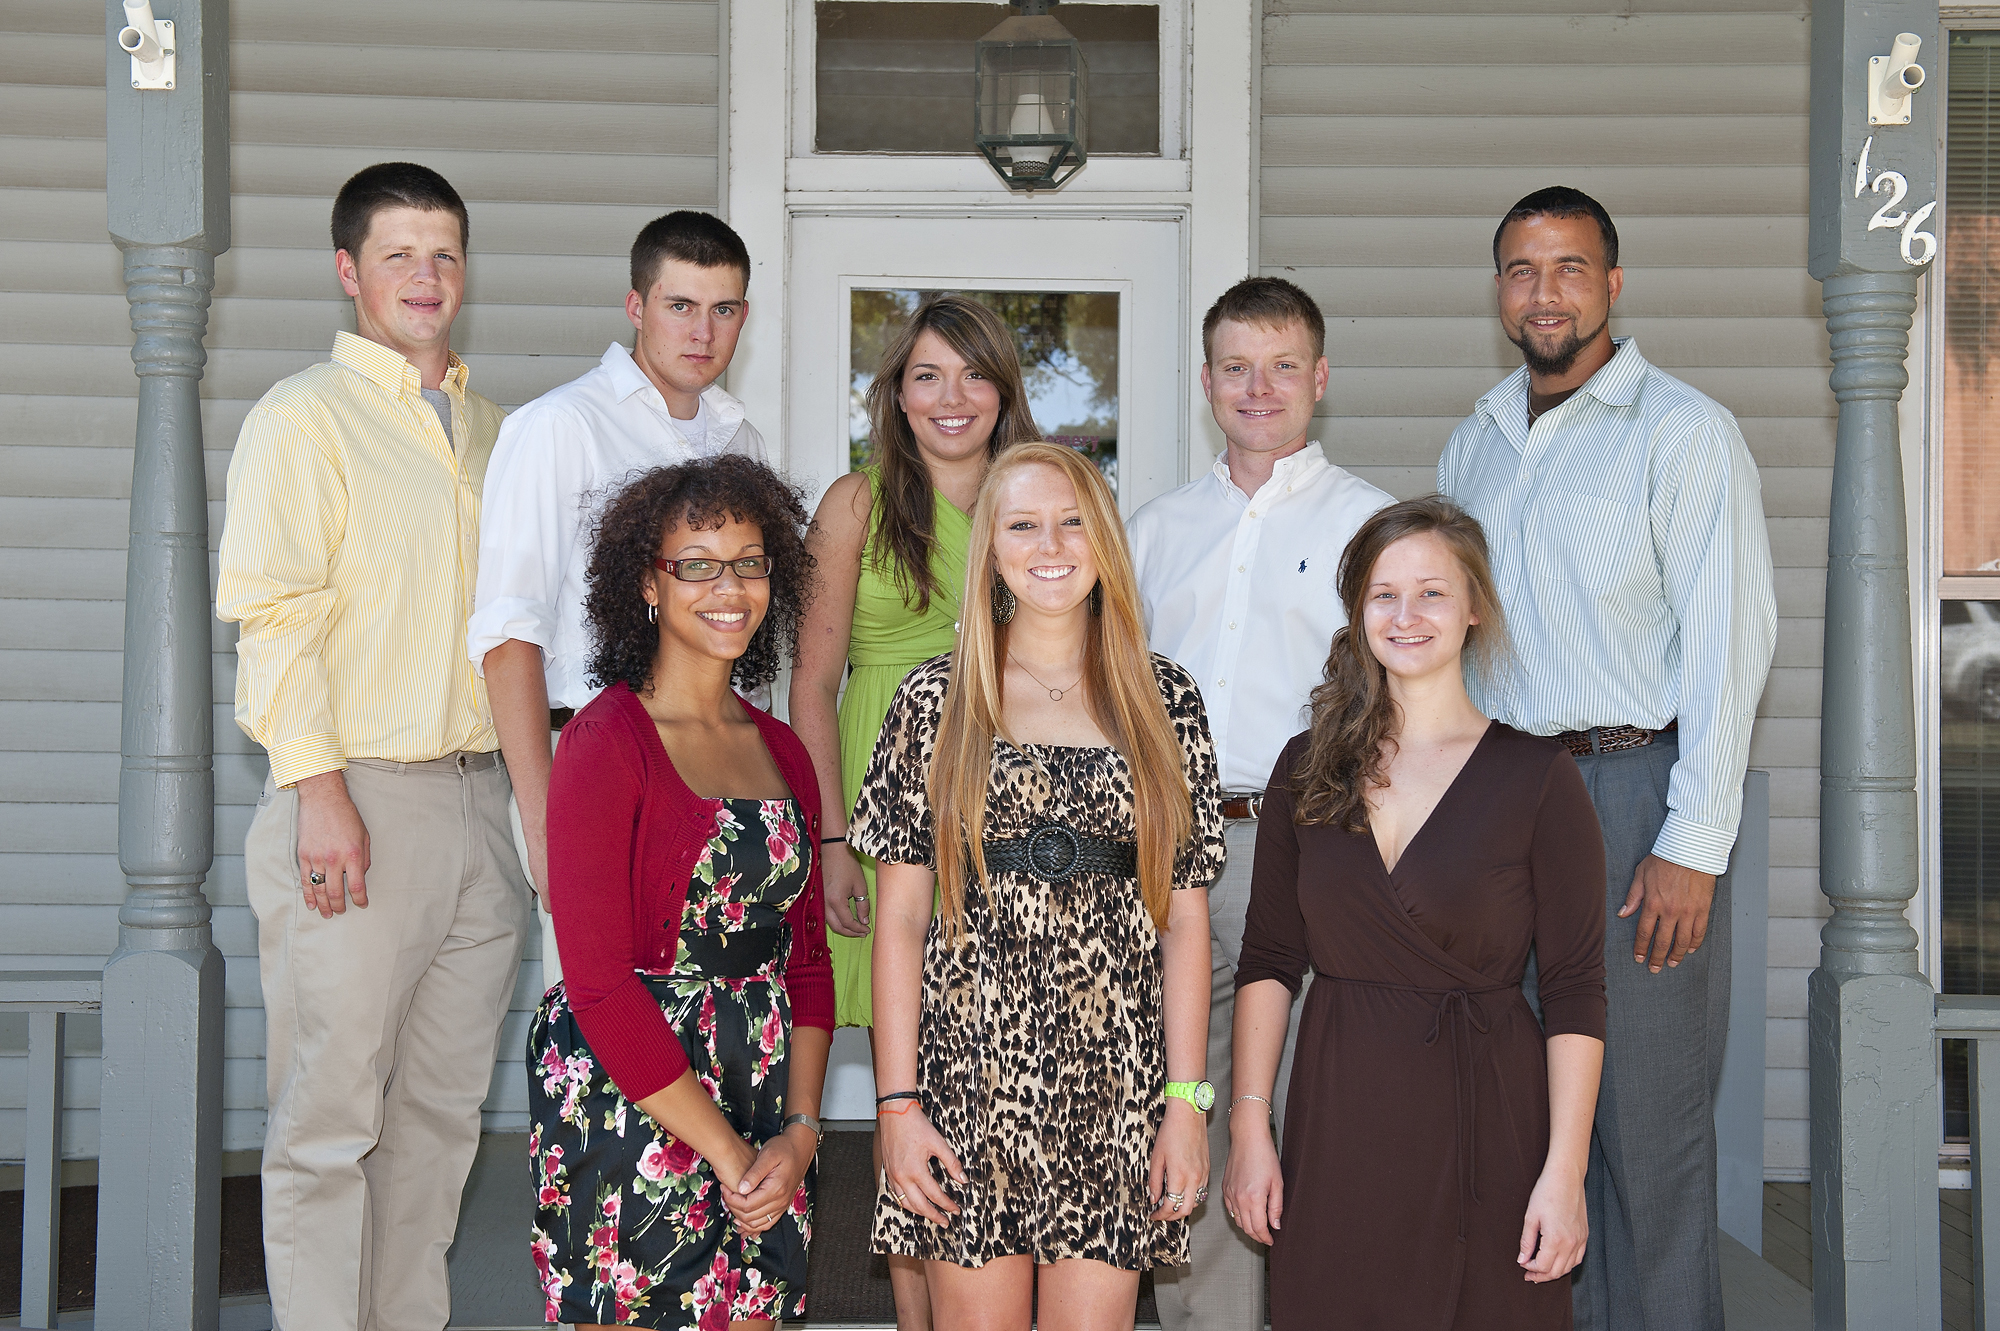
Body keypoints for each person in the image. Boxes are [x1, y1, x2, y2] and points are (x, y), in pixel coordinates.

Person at [1439, 185, 1777, 1331]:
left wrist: (1691, 841)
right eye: (1521, 269)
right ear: (1498, 290)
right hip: (1496, 804)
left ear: (1611, 284)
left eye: (1569, 267)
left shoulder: (1682, 430)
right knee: (1526, 1126)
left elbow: (1731, 644)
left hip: (1631, 796)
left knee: (1647, 1132)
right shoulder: (1473, 438)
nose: (1544, 292)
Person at [217, 162, 531, 1331]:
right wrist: (318, 789)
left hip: (480, 811)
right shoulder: (305, 417)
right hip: (352, 804)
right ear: (349, 271)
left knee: (440, 1122)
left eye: (444, 252)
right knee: (328, 1123)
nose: (426, 276)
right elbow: (275, 613)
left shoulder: (500, 436)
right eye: (398, 253)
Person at [852, 441, 1226, 1329]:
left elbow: (1184, 923)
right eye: (1023, 522)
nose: (1050, 543)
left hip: (1116, 1088)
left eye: (1072, 521)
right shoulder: (933, 701)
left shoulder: (1165, 701)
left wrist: (1186, 1103)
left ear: (1104, 541)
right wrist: (896, 1104)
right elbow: (900, 920)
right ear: (991, 545)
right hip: (967, 1078)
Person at [1227, 497, 1607, 1329]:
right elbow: (1267, 958)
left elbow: (1577, 990)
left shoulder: (1540, 778)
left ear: (1474, 610)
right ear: (1358, 613)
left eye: (1432, 592)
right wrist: (1251, 1126)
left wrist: (1564, 1171)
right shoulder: (1307, 766)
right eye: (1382, 594)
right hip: (1340, 1116)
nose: (1406, 615)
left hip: (1489, 1128)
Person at [1126, 275, 1391, 1331]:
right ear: (1204, 382)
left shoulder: (1369, 523)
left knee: (1305, 1112)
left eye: (1282, 365)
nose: (1257, 386)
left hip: (1315, 846)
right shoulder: (1153, 529)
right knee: (1180, 1107)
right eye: (1235, 366)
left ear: (1318, 379)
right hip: (1172, 853)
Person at [528, 455, 835, 1328]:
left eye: (749, 560)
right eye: (696, 563)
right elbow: (594, 982)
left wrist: (800, 1134)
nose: (727, 586)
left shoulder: (783, 748)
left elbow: (808, 965)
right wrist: (729, 1153)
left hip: (765, 1101)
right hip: (635, 1093)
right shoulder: (606, 740)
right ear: (649, 584)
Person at [789, 295, 1040, 1329]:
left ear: (1002, 392)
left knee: (978, 1069)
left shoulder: (1037, 498)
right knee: (904, 1079)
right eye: (926, 375)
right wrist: (830, 838)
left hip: (1001, 809)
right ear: (895, 392)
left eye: (972, 375)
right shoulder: (854, 504)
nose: (951, 398)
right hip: (871, 805)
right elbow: (808, 683)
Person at [472, 210, 766, 990]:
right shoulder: (559, 428)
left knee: (719, 1016)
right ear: (636, 306)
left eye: (724, 309)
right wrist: (543, 819)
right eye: (680, 305)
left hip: (719, 761)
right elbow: (509, 632)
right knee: (610, 1027)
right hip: (598, 762)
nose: (702, 331)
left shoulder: (741, 445)